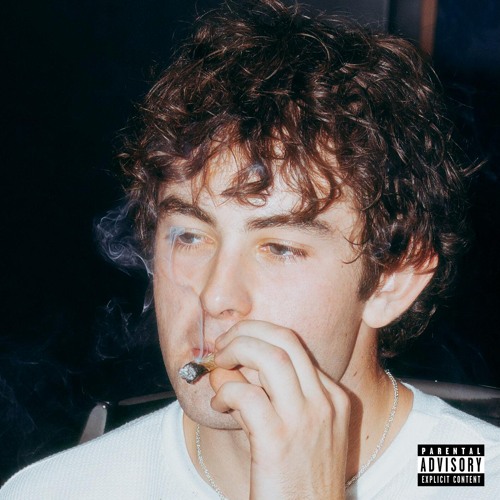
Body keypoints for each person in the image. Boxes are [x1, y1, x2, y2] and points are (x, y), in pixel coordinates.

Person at [2, 0, 499, 498]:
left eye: (279, 248)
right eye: (190, 236)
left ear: (393, 280)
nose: (215, 297)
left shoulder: (474, 474)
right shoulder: (56, 491)